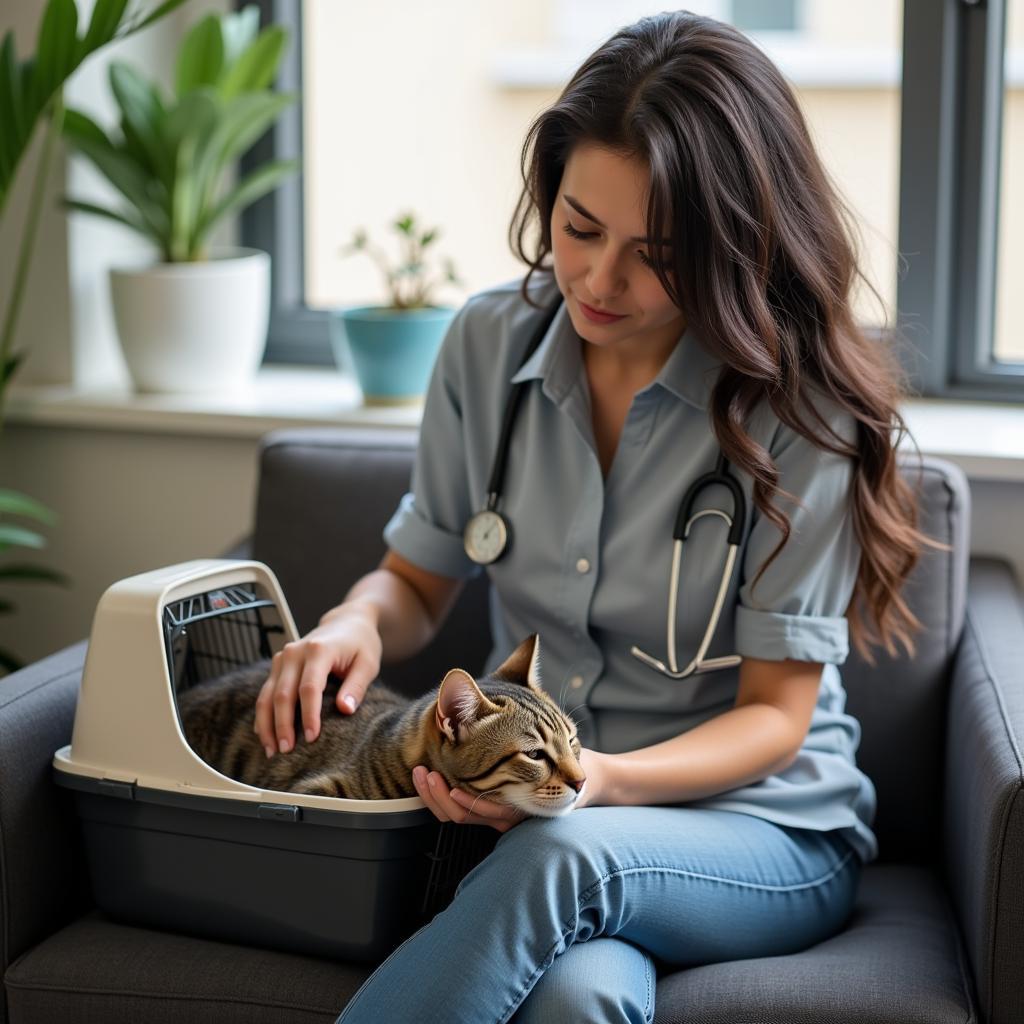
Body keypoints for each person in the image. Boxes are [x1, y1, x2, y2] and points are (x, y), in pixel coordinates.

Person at [255, 12, 939, 1023]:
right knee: (576, 1003)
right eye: (579, 228)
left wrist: (592, 784)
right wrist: (354, 622)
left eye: (652, 253)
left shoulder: (801, 407)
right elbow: (416, 580)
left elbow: (775, 717)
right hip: (549, 826)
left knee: (564, 857)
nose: (598, 280)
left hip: (757, 828)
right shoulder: (487, 347)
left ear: (727, 246)